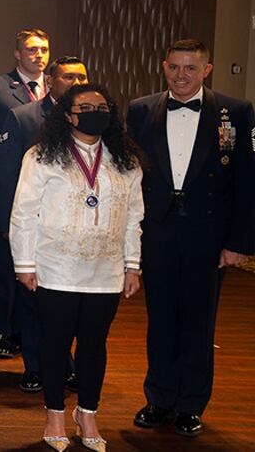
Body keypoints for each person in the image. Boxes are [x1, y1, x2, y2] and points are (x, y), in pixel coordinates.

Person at [129, 39, 255, 438]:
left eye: (190, 68)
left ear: (207, 69)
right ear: (163, 67)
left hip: (208, 234)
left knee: (199, 323)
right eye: (174, 68)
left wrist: (239, 243)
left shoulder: (236, 112)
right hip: (158, 231)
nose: (181, 76)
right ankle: (159, 398)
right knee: (160, 318)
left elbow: (248, 182)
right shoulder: (140, 109)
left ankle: (191, 404)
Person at [11, 83, 146, 451]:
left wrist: (132, 266)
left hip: (105, 271)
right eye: (85, 106)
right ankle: (54, 412)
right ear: (67, 115)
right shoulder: (41, 157)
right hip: (56, 267)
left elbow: (135, 217)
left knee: (94, 345)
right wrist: (24, 264)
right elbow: (24, 213)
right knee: (54, 344)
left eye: (102, 106)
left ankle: (87, 411)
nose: (94, 112)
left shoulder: (125, 161)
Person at [0, 56, 88, 392]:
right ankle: (35, 367)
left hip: (76, 233)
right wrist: (9, 230)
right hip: (34, 229)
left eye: (81, 76)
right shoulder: (23, 118)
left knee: (70, 307)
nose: (75, 83)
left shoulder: (95, 120)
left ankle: (66, 364)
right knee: (33, 305)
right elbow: (7, 177)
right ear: (50, 81)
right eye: (67, 77)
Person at [0, 28, 51, 359]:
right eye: (32, 50)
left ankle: (31, 328)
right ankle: (2, 330)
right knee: (6, 265)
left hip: (49, 192)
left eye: (44, 49)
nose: (39, 55)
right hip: (10, 189)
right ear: (17, 53)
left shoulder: (58, 88)